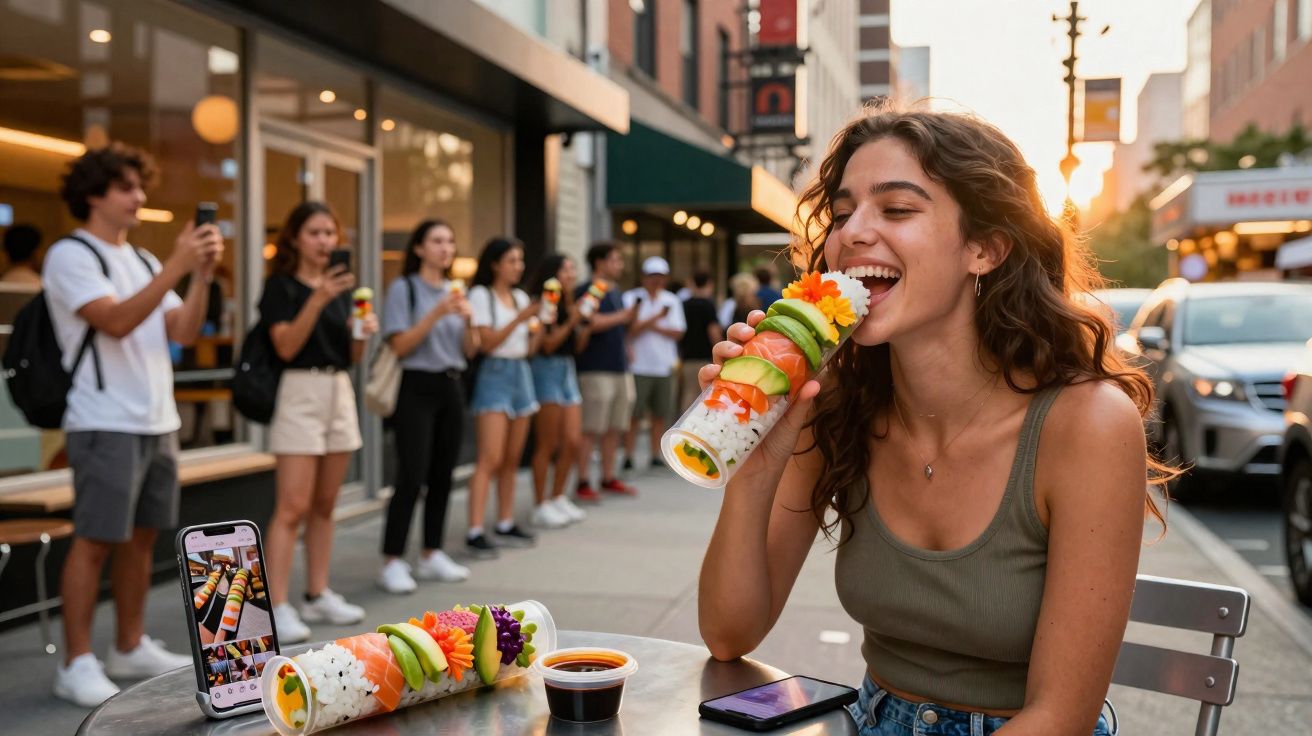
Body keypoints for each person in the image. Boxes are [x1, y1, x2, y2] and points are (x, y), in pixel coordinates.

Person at [697, 109, 1169, 736]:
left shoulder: (1087, 425)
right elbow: (729, 634)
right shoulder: (838, 402)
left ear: (985, 248)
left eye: (896, 210)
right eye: (842, 214)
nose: (852, 234)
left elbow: (1060, 716)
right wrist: (755, 464)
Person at [46, 143, 222, 706]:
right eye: (126, 187)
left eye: (140, 187)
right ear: (94, 194)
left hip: (155, 420)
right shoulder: (72, 256)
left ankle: (128, 643)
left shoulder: (144, 261)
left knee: (143, 539)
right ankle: (75, 663)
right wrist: (178, 264)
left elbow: (185, 332)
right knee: (95, 540)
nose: (139, 198)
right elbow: (117, 321)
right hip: (103, 420)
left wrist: (200, 278)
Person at [260, 201, 378, 644]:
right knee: (291, 506)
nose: (325, 241)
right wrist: (320, 297)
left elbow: (352, 356)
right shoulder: (281, 288)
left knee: (326, 503)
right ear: (294, 238)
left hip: (338, 389)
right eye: (315, 232)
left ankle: (317, 591)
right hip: (298, 391)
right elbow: (287, 346)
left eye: (330, 232)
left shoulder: (343, 288)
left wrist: (362, 333)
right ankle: (277, 605)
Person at [376, 219, 479, 594]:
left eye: (450, 240)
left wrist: (469, 321)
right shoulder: (404, 289)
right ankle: (392, 560)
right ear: (419, 248)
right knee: (411, 473)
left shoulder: (458, 290)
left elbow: (470, 351)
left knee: (443, 473)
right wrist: (437, 312)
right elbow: (400, 346)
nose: (445, 248)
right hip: (415, 384)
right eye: (437, 240)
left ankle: (432, 552)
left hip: (452, 384)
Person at [465, 237, 541, 558]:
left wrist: (537, 329)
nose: (518, 266)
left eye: (520, 260)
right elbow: (487, 343)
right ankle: (475, 528)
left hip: (520, 372)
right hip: (494, 373)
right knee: (489, 458)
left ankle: (505, 521)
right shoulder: (481, 295)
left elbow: (529, 348)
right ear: (495, 263)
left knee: (512, 458)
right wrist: (521, 320)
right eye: (511, 260)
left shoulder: (521, 296)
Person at [527, 254, 589, 529]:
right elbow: (549, 344)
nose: (570, 274)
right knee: (547, 443)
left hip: (567, 369)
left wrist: (583, 322)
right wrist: (572, 320)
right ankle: (540, 504)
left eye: (572, 268)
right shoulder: (547, 301)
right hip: (546, 369)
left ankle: (558, 495)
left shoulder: (570, 301)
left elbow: (576, 346)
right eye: (565, 269)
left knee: (573, 441)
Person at [574, 243, 639, 501]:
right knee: (591, 427)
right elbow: (587, 322)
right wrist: (623, 316)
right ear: (599, 262)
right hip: (595, 367)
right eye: (614, 260)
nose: (619, 265)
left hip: (618, 366)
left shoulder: (615, 291)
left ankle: (608, 477)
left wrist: (627, 344)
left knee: (615, 425)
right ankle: (582, 480)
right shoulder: (589, 290)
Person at [622, 256, 685, 471]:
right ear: (644, 278)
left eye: (660, 276)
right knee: (634, 414)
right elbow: (629, 330)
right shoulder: (632, 298)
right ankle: (629, 455)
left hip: (663, 364)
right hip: (638, 365)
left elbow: (677, 332)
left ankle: (655, 454)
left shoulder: (671, 300)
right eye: (652, 276)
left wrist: (648, 324)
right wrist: (657, 318)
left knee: (660, 413)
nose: (656, 280)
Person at [678, 271, 723, 410]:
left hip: (686, 356)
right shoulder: (708, 305)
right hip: (704, 357)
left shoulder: (683, 304)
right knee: (703, 395)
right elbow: (713, 331)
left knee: (688, 393)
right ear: (709, 284)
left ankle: (683, 426)